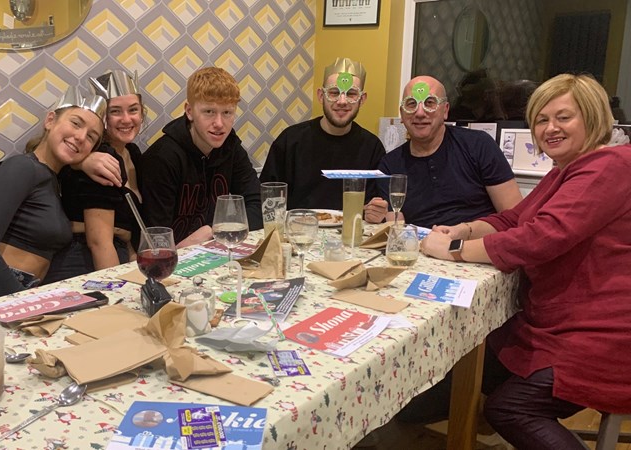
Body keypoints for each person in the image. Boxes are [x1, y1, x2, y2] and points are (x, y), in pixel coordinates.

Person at [421, 73, 631, 449]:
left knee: (509, 409)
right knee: (479, 353)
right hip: (558, 322)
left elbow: (540, 237)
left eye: (563, 117)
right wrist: (463, 229)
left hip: (602, 335)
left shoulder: (609, 166)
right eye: (541, 119)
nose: (550, 128)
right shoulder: (564, 171)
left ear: (592, 117)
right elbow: (513, 220)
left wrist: (454, 250)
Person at [0, 85, 106, 308]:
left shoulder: (54, 180)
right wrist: (26, 305)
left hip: (17, 289)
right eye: (76, 123)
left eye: (91, 137)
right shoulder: (23, 167)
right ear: (50, 121)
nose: (81, 137)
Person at [373, 76, 522, 228]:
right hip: (420, 242)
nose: (420, 113)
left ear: (445, 110)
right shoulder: (389, 166)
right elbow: (396, 227)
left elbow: (515, 217)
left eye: (429, 103)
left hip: (478, 239)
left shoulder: (478, 145)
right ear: (402, 114)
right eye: (411, 104)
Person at [139, 67, 262, 248]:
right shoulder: (163, 157)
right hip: (173, 257)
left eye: (227, 113)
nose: (219, 124)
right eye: (209, 112)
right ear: (189, 111)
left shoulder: (231, 146)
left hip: (212, 250)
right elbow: (156, 237)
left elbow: (258, 205)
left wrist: (211, 230)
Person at [45, 69, 145, 282]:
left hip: (119, 256)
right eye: (115, 111)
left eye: (133, 110)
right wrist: (118, 292)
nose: (126, 119)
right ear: (103, 117)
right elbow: (99, 243)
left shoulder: (133, 153)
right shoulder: (103, 158)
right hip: (84, 262)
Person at [260, 57, 386, 216]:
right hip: (297, 228)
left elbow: (376, 205)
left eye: (351, 94)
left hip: (350, 229)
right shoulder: (290, 140)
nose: (342, 101)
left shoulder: (372, 147)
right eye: (334, 92)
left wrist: (377, 213)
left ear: (362, 99)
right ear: (321, 96)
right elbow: (267, 198)